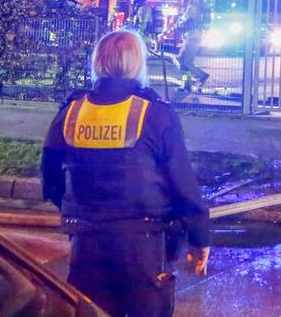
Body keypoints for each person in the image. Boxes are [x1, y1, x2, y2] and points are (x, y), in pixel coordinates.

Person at [42, 29, 211, 316]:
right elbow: (182, 182)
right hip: (142, 244)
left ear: (97, 62)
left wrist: (81, 212)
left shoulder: (71, 111)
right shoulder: (155, 113)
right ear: (138, 64)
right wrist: (199, 237)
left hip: (86, 242)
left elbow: (51, 179)